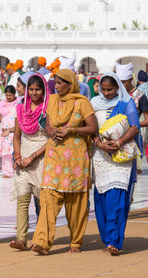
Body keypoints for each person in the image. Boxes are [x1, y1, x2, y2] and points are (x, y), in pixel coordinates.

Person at [31, 69, 98, 255]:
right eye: (56, 83)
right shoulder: (52, 101)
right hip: (55, 155)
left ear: (70, 84)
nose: (57, 86)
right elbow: (47, 123)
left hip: (76, 159)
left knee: (75, 201)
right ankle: (42, 242)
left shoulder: (82, 103)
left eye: (61, 83)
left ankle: (76, 241)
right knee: (48, 197)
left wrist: (71, 131)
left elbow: (92, 128)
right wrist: (51, 131)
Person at [90, 73, 140, 256]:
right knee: (102, 199)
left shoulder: (126, 103)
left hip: (120, 157)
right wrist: (99, 143)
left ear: (118, 87)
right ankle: (107, 238)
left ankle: (114, 241)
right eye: (103, 89)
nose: (106, 93)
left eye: (110, 89)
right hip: (100, 156)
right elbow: (90, 128)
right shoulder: (94, 103)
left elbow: (134, 127)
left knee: (116, 200)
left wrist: (118, 143)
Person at [8, 73, 49, 251]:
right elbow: (17, 136)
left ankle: (41, 239)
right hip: (23, 157)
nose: (34, 93)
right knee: (22, 199)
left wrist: (32, 157)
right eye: (30, 89)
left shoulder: (47, 109)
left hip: (42, 157)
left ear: (44, 90)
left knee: (42, 202)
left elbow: (51, 140)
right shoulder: (21, 108)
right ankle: (21, 239)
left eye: (37, 89)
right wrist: (18, 157)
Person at [116, 63, 148, 175]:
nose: (121, 85)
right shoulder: (115, 94)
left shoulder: (140, 96)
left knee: (134, 170)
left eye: (124, 82)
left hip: (133, 137)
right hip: (116, 136)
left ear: (131, 79)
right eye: (119, 82)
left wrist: (133, 125)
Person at [0, 85, 17, 178]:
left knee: (15, 150)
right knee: (6, 152)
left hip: (14, 130)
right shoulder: (2, 104)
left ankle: (17, 169)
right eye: (7, 95)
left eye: (10, 95)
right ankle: (7, 171)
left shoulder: (18, 103)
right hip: (5, 131)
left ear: (14, 94)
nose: (8, 97)